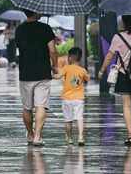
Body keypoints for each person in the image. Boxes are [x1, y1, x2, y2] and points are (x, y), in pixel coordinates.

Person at [98, 15, 131, 146]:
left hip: (124, 74)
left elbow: (109, 56)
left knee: (127, 105)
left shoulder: (118, 37)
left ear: (126, 22)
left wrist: (102, 70)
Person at [15, 9, 58, 147]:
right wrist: (55, 65)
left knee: (27, 107)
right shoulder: (46, 28)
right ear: (35, 13)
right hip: (43, 72)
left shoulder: (19, 29)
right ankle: (38, 137)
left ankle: (30, 134)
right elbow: (52, 50)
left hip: (25, 72)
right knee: (41, 106)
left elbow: (19, 47)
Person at [54, 47, 89, 146]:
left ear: (71, 57)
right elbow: (87, 78)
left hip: (66, 98)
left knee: (68, 120)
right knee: (79, 118)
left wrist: (52, 74)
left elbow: (58, 76)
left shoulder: (66, 68)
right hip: (79, 98)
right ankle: (81, 137)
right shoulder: (82, 70)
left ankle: (69, 138)